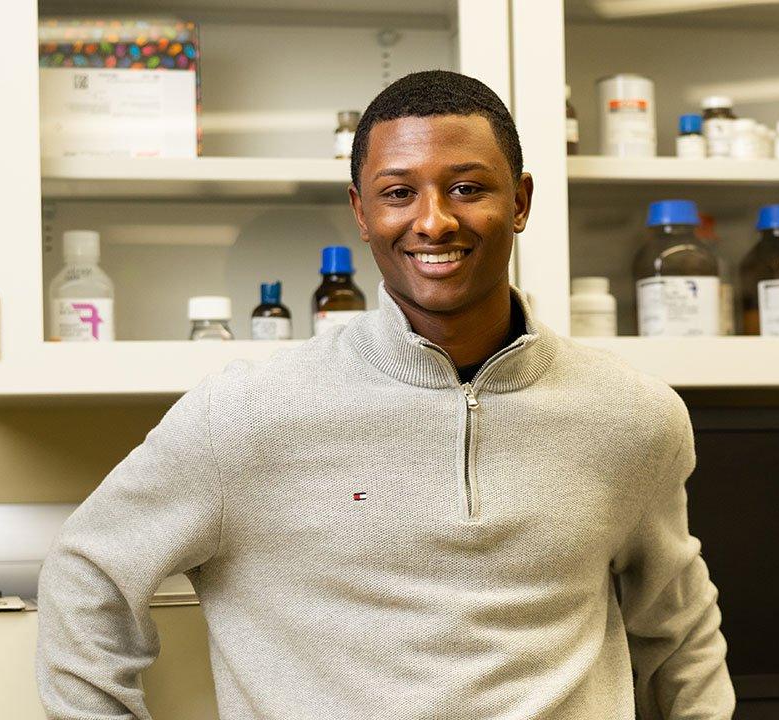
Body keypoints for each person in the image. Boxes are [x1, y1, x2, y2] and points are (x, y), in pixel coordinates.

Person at [36, 70, 735, 720]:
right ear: (361, 211)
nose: (433, 221)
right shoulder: (245, 416)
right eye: (399, 192)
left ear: (520, 201)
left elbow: (678, 632)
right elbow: (88, 575)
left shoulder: (635, 416)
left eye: (468, 188)